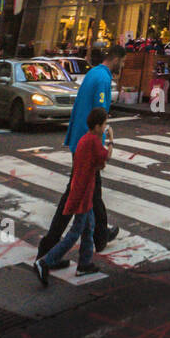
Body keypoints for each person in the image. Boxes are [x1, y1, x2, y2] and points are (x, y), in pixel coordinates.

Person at [36, 44, 124, 264]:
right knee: (75, 195)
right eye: (123, 61)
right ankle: (48, 250)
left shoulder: (93, 73)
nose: (123, 66)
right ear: (116, 59)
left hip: (79, 140)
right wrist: (101, 150)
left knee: (92, 192)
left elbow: (80, 109)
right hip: (87, 145)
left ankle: (99, 235)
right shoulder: (103, 79)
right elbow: (99, 118)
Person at [34, 107, 112, 284]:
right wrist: (112, 141)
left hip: (83, 190)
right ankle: (45, 262)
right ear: (98, 126)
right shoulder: (93, 141)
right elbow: (105, 158)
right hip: (84, 193)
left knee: (89, 227)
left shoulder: (84, 139)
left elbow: (96, 164)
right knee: (75, 232)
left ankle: (84, 264)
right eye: (105, 124)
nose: (106, 127)